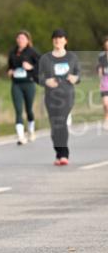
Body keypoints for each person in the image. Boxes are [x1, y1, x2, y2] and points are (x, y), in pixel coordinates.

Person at [38, 29, 81, 166]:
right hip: (51, 95)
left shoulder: (72, 57)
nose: (57, 40)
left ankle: (64, 154)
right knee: (54, 125)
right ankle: (58, 153)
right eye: (55, 38)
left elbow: (78, 75)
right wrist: (46, 81)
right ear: (52, 40)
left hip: (67, 94)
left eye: (61, 37)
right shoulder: (45, 58)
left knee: (61, 121)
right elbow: (38, 77)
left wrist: (75, 78)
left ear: (65, 40)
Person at [7, 30, 41, 145]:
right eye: (19, 38)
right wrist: (10, 71)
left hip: (29, 83)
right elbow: (10, 66)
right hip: (16, 84)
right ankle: (21, 136)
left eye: (23, 38)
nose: (20, 40)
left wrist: (31, 67)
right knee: (18, 110)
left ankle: (31, 130)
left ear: (27, 40)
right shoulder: (12, 52)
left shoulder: (32, 52)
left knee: (29, 110)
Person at [99, 36, 108, 131]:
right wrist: (100, 80)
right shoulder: (101, 57)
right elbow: (100, 70)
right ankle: (106, 118)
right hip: (105, 82)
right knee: (106, 104)